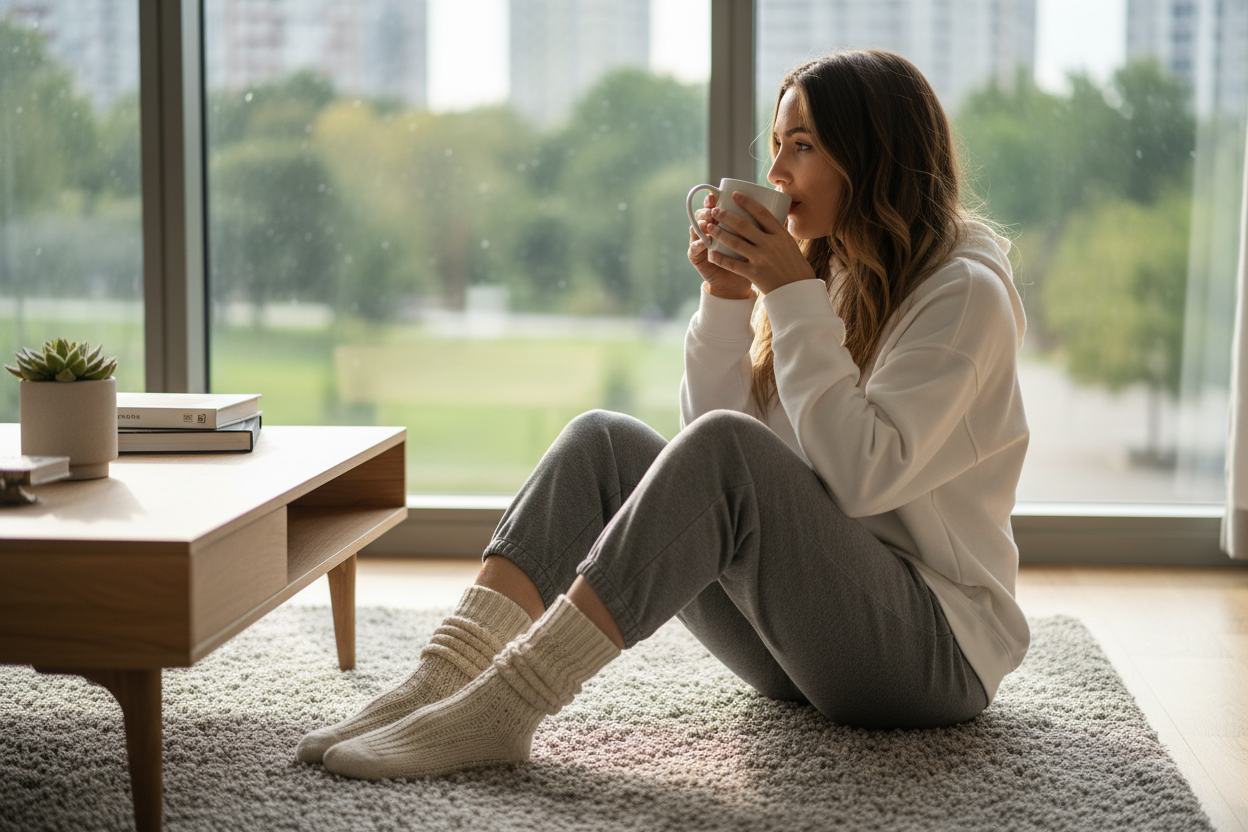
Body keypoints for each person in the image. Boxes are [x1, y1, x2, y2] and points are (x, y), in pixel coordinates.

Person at [297, 48, 1030, 781]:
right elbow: (720, 439)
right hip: (805, 643)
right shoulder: (830, 272)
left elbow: (861, 478)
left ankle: (504, 709)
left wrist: (788, 296)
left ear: (875, 156)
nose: (777, 172)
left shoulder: (963, 294)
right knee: (602, 442)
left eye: (802, 146)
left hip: (930, 656)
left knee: (725, 451)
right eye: (777, 145)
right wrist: (727, 300)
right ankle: (440, 681)